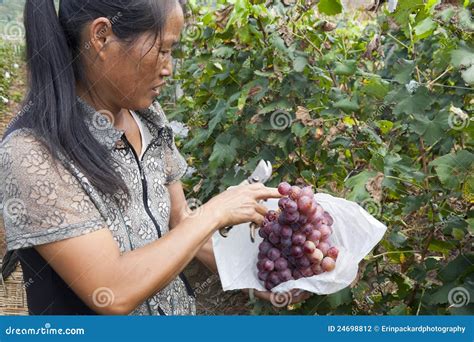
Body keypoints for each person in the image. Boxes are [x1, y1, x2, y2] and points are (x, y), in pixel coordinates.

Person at [0, 0, 310, 315]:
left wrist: (259, 279)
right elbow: (112, 290)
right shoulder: (32, 151)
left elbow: (180, 222)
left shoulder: (146, 117)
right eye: (163, 50)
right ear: (102, 36)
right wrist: (216, 211)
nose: (168, 68)